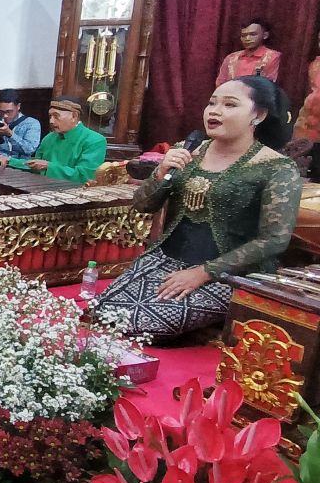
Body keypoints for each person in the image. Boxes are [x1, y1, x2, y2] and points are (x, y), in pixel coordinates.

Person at [94, 77, 300, 341]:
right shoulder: (186, 151)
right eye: (212, 103)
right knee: (101, 311)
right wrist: (161, 173)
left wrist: (204, 273)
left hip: (230, 273)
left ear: (258, 115)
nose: (214, 110)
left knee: (142, 326)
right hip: (166, 259)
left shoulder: (277, 168)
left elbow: (274, 240)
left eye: (229, 104)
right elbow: (143, 205)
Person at [0, 96, 106, 184]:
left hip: (75, 197)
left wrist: (49, 166)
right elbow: (35, 165)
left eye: (56, 116)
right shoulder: (50, 137)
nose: (51, 121)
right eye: (50, 116)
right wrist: (9, 161)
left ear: (74, 116)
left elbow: (85, 177)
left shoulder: (95, 141)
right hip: (44, 188)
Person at [216, 18, 281, 85]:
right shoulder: (231, 58)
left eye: (253, 34)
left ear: (265, 35)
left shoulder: (273, 57)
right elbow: (220, 84)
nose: (247, 39)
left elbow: (270, 85)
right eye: (243, 35)